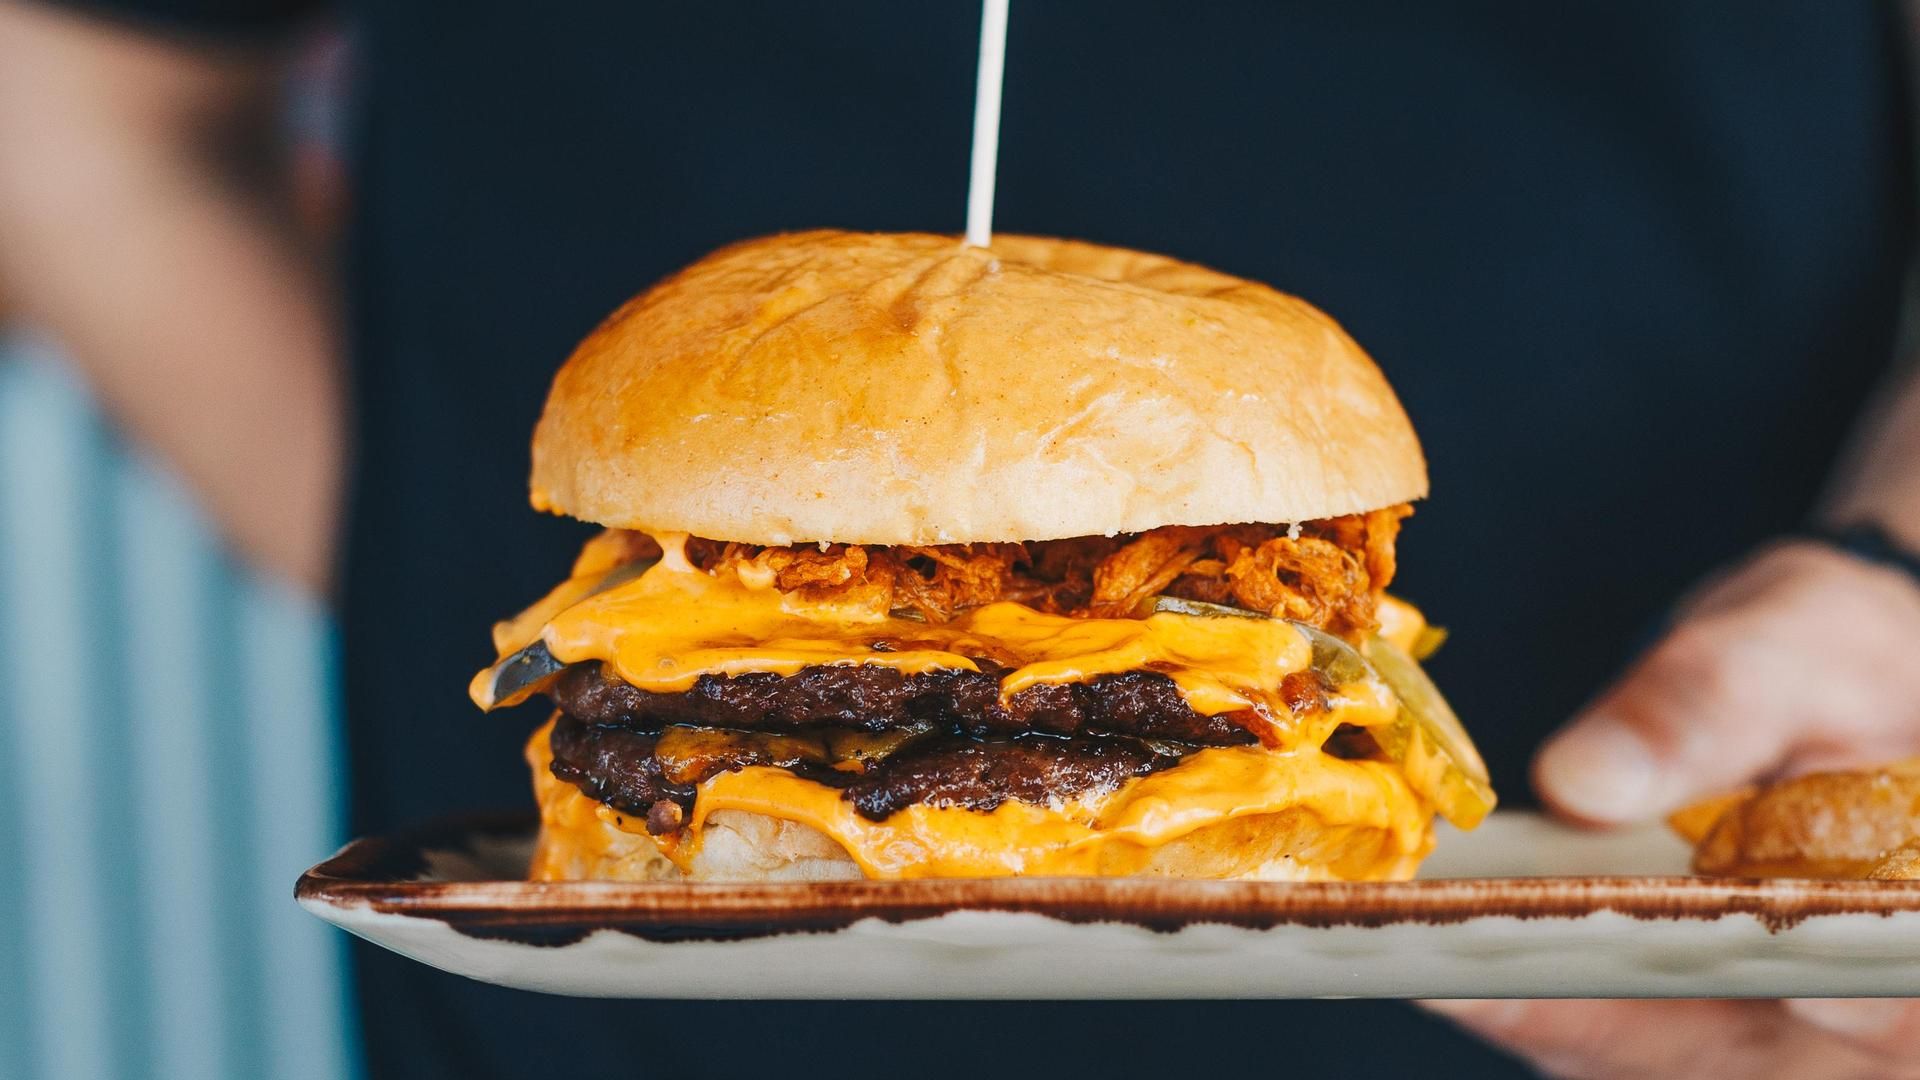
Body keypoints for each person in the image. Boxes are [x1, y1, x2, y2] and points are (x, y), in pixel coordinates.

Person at [3, 2, 1918, 1077]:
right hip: (609, 997)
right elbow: (65, 94)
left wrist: (1898, 576)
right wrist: (490, 607)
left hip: (1643, 944)